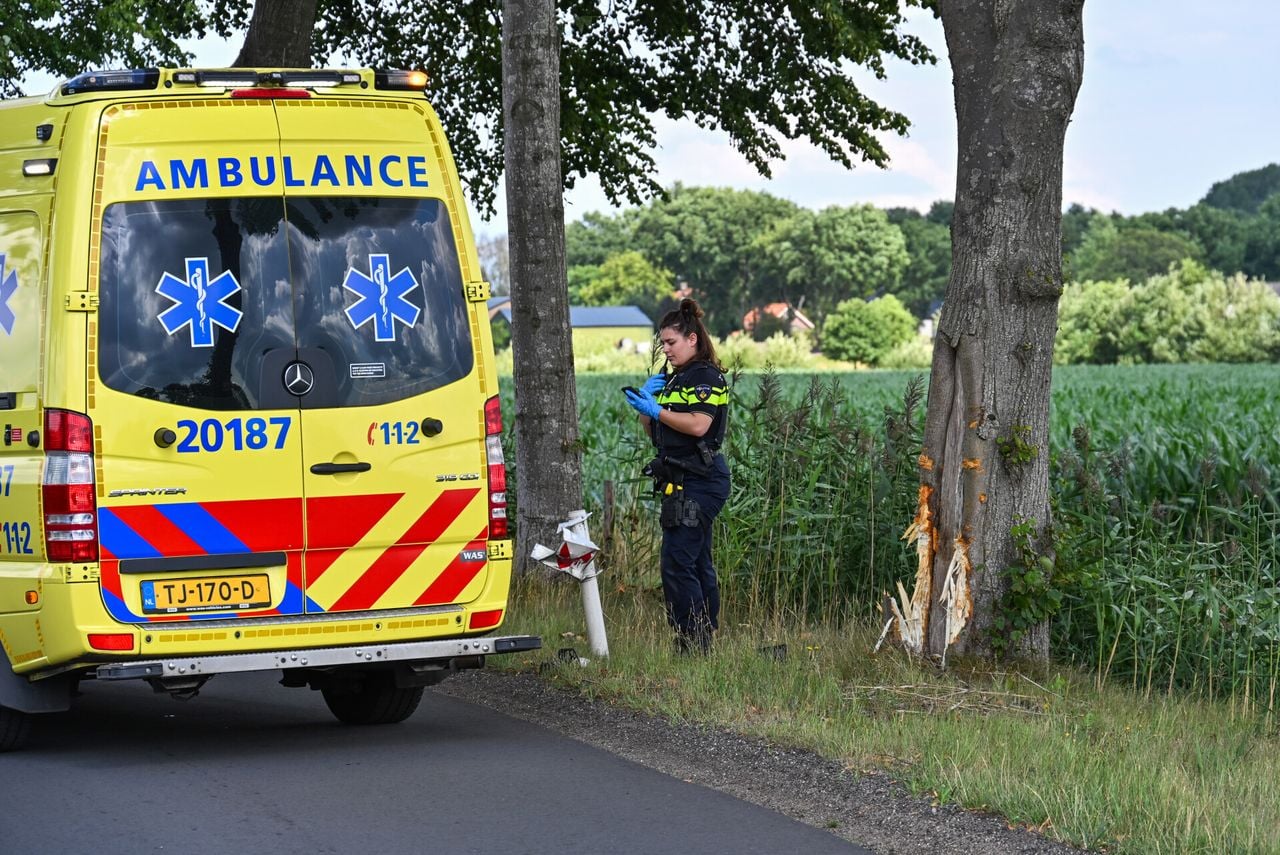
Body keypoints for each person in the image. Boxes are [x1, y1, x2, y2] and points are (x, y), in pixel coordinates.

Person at [623, 299, 731, 654]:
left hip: (702, 478)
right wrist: (646, 403)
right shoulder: (676, 379)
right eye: (662, 343)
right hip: (680, 478)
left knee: (677, 561)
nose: (665, 349)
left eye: (670, 342)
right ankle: (702, 636)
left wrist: (658, 409)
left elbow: (700, 425)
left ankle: (692, 639)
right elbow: (655, 432)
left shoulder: (705, 377)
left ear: (692, 340)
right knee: (695, 559)